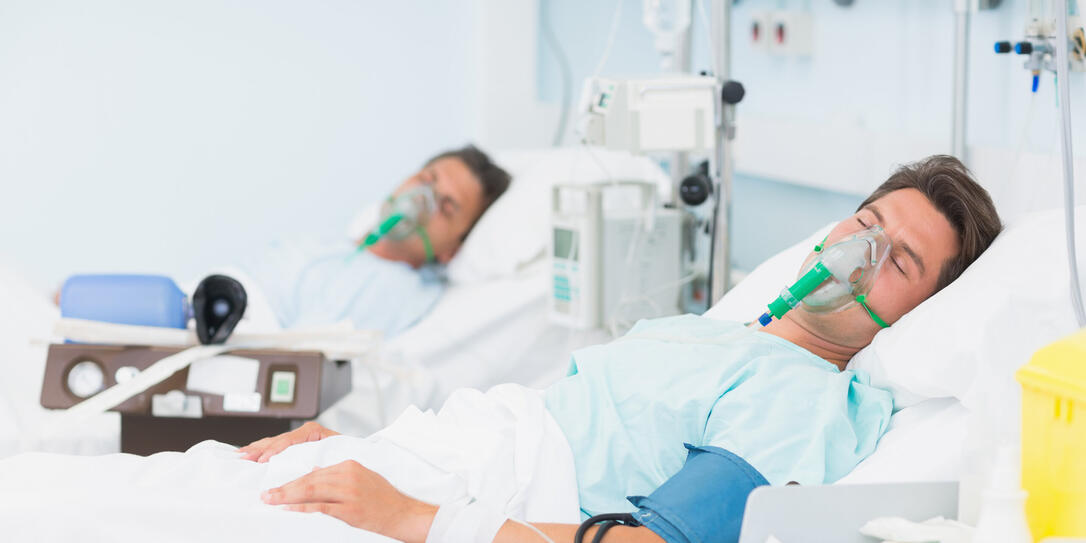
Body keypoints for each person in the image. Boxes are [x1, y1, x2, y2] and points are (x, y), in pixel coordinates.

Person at [242, 155, 1002, 542]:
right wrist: (375, 447)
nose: (861, 255)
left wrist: (416, 513)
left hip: (453, 511)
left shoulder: (804, 403)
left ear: (920, 313)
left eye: (899, 261)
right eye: (865, 225)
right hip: (427, 465)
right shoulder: (715, 334)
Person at [235, 144, 511, 335]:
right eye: (426, 180)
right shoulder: (329, 245)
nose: (420, 199)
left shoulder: (392, 289)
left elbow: (292, 355)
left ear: (451, 251)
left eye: (446, 207)